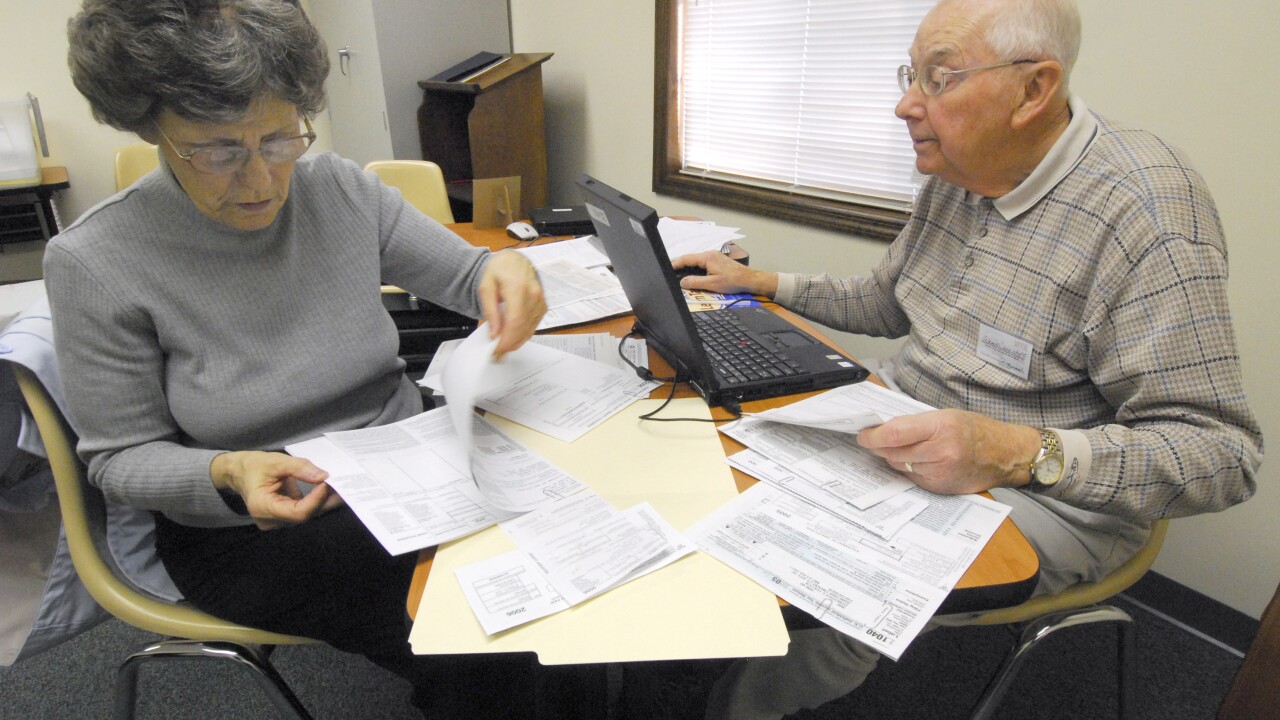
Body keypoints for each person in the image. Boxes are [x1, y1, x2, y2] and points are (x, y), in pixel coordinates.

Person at [673, 0, 1263, 717]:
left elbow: (1221, 457)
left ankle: (734, 706)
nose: (904, 105)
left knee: (848, 578)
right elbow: (889, 302)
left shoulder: (1147, 211)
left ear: (1034, 89)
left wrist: (1013, 452)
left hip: (1049, 489)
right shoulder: (958, 175)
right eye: (910, 75)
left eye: (939, 78)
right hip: (906, 429)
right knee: (723, 460)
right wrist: (760, 283)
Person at [48, 1, 547, 716]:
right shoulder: (97, 261)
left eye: (281, 139)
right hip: (254, 524)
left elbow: (469, 277)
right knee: (474, 630)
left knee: (544, 557)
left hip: (408, 464)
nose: (260, 183)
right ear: (151, 128)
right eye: (218, 151)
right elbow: (118, 461)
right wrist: (228, 470)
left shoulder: (340, 190)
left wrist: (508, 278)